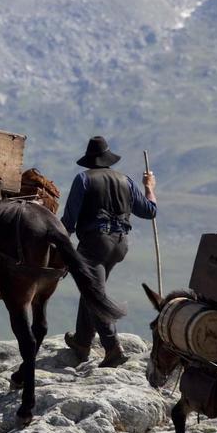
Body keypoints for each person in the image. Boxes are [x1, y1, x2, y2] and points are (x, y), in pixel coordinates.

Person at [61, 136, 157, 367]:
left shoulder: (83, 179)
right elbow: (150, 210)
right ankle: (82, 341)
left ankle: (112, 347)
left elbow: (69, 222)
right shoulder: (126, 180)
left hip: (95, 243)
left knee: (95, 292)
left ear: (89, 160)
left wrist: (59, 245)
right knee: (92, 287)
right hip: (120, 245)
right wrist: (149, 188)